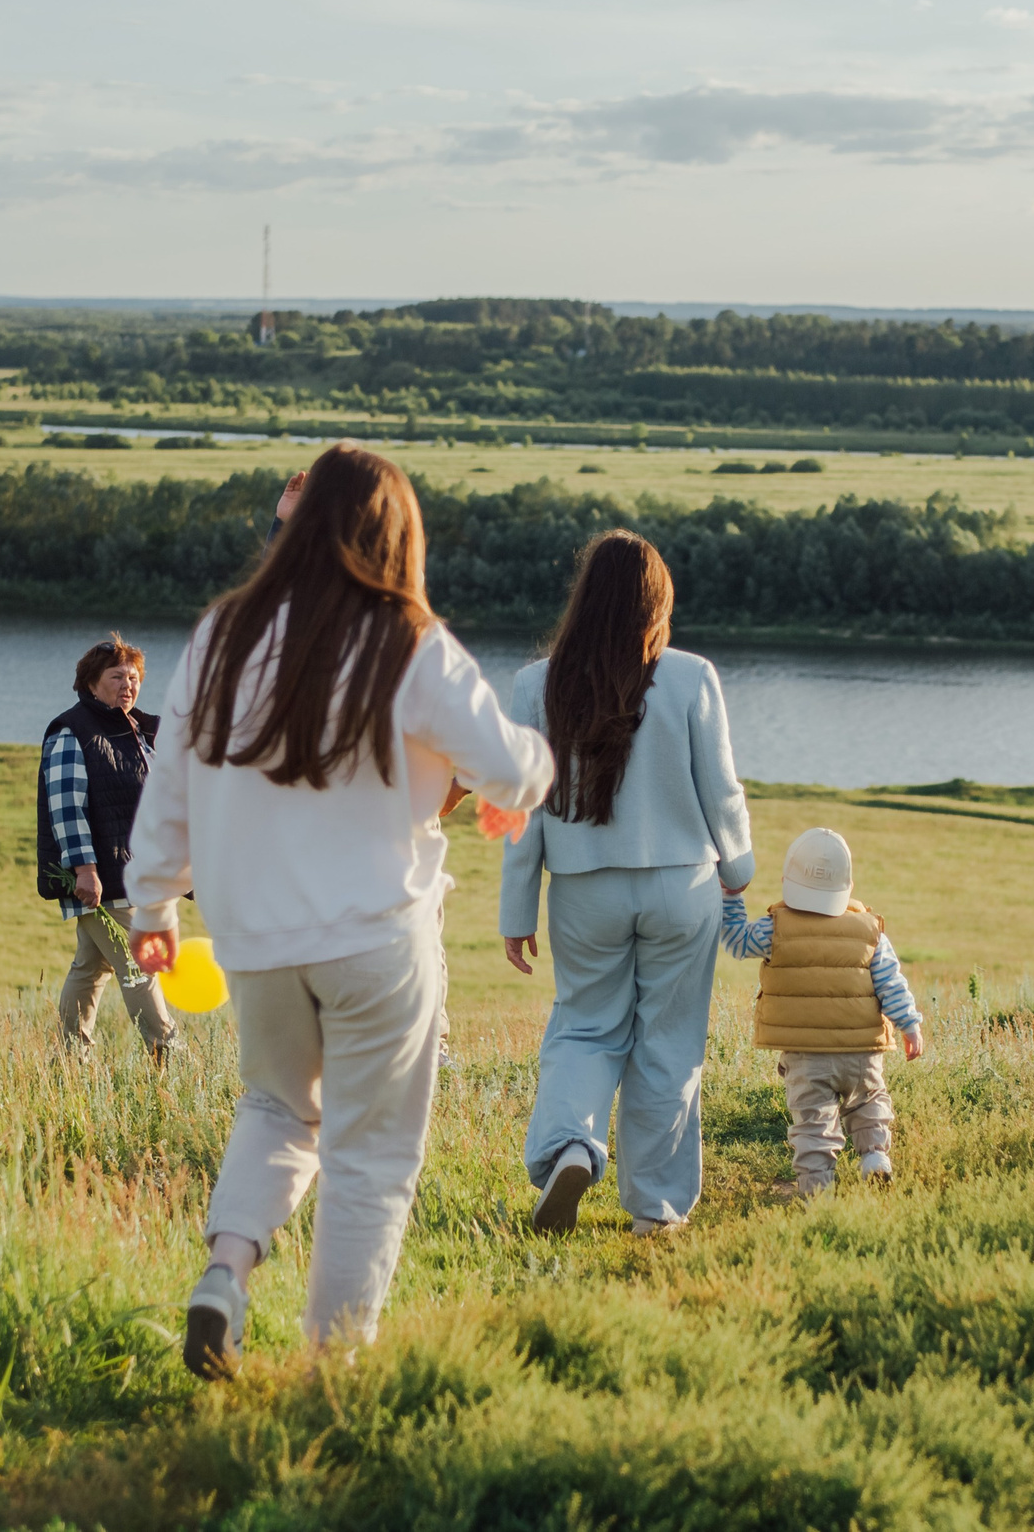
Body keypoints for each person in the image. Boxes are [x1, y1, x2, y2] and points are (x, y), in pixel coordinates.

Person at [121, 443, 552, 1380]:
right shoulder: (410, 642)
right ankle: (333, 1370)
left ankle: (225, 1273)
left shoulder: (221, 633)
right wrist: (508, 783)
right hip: (377, 942)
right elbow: (517, 762)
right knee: (370, 1153)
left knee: (276, 1107)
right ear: (399, 538)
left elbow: (171, 788)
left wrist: (150, 901)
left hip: (258, 943)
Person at [500, 530, 753, 1239]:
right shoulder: (694, 677)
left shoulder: (534, 684)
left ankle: (571, 1148)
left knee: (584, 1028)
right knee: (669, 1042)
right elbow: (722, 790)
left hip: (584, 888)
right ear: (658, 601)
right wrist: (739, 871)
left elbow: (523, 809)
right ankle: (657, 1209)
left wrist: (518, 908)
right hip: (683, 886)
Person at [720, 827, 925, 1197]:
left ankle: (817, 1188)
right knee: (869, 1100)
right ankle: (875, 1157)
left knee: (814, 1121)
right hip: (861, 1053)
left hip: (806, 1055)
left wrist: (731, 895)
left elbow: (735, 941)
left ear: (787, 880)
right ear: (848, 885)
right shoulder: (870, 932)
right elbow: (891, 984)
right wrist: (909, 1025)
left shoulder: (774, 930)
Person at [36, 635, 179, 1060]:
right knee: (140, 965)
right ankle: (167, 1055)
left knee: (89, 967)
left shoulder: (139, 731)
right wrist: (84, 868)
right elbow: (66, 807)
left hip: (142, 874)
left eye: (133, 677)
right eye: (116, 676)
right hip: (108, 877)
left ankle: (71, 1059)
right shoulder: (72, 731)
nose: (128, 685)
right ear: (92, 683)